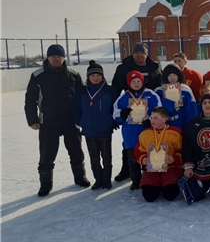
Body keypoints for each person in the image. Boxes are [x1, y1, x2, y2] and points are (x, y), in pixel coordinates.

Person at [24, 44, 90, 197]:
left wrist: (81, 118)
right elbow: (30, 100)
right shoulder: (38, 75)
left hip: (70, 121)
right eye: (53, 55)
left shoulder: (73, 74)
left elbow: (81, 99)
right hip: (48, 122)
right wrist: (32, 120)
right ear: (48, 57)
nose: (56, 58)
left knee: (76, 151)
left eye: (59, 55)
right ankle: (45, 185)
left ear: (63, 57)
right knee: (47, 155)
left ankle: (80, 178)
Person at [111, 43, 162, 182]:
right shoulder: (124, 68)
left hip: (148, 109)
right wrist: (119, 115)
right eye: (137, 52)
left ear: (146, 54)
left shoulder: (154, 67)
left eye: (142, 52)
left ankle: (150, 174)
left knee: (150, 146)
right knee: (129, 146)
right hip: (132, 110)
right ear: (132, 54)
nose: (140, 55)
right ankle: (127, 170)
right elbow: (116, 88)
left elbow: (159, 86)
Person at [72, 60, 118, 190]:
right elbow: (75, 109)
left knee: (107, 156)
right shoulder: (81, 91)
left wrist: (112, 122)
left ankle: (107, 180)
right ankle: (98, 180)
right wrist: (80, 122)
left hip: (105, 129)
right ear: (88, 77)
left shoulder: (109, 90)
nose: (96, 78)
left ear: (102, 76)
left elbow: (116, 108)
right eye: (93, 75)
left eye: (98, 75)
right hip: (89, 131)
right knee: (94, 157)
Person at [134, 107, 183, 202]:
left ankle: (165, 184)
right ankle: (157, 185)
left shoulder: (176, 133)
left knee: (170, 195)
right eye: (151, 117)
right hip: (151, 168)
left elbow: (182, 150)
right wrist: (143, 159)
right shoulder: (144, 134)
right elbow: (139, 150)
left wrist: (174, 158)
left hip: (171, 168)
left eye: (156, 118)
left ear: (164, 119)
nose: (152, 120)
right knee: (149, 196)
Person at [154, 63, 198, 131]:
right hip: (164, 125)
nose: (172, 77)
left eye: (174, 75)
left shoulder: (186, 90)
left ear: (179, 76)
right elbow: (155, 109)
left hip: (182, 124)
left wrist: (191, 124)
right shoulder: (158, 91)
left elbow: (192, 108)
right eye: (170, 75)